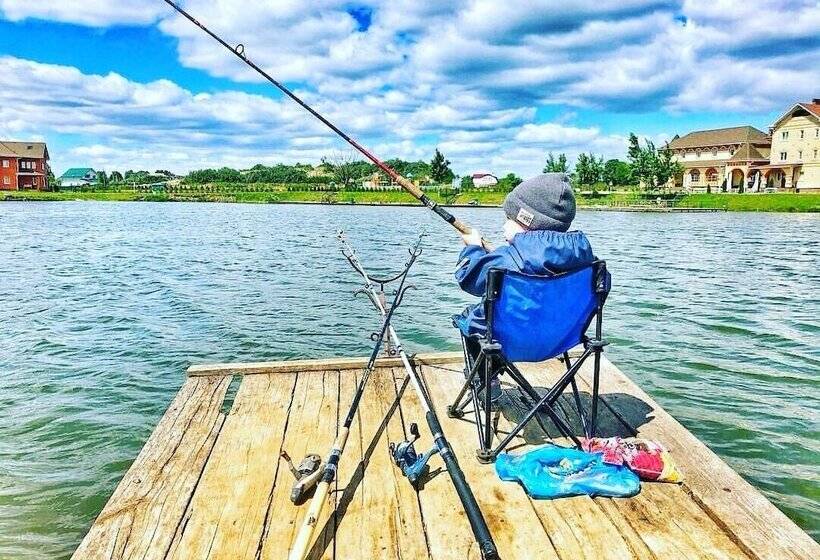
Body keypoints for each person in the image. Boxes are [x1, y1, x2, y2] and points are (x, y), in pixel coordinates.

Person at [453, 173, 595, 402]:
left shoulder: (506, 260)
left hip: (509, 343)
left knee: (472, 318)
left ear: (525, 221)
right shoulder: (589, 263)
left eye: (507, 218)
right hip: (561, 341)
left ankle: (486, 380)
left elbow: (467, 277)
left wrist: (473, 248)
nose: (503, 224)